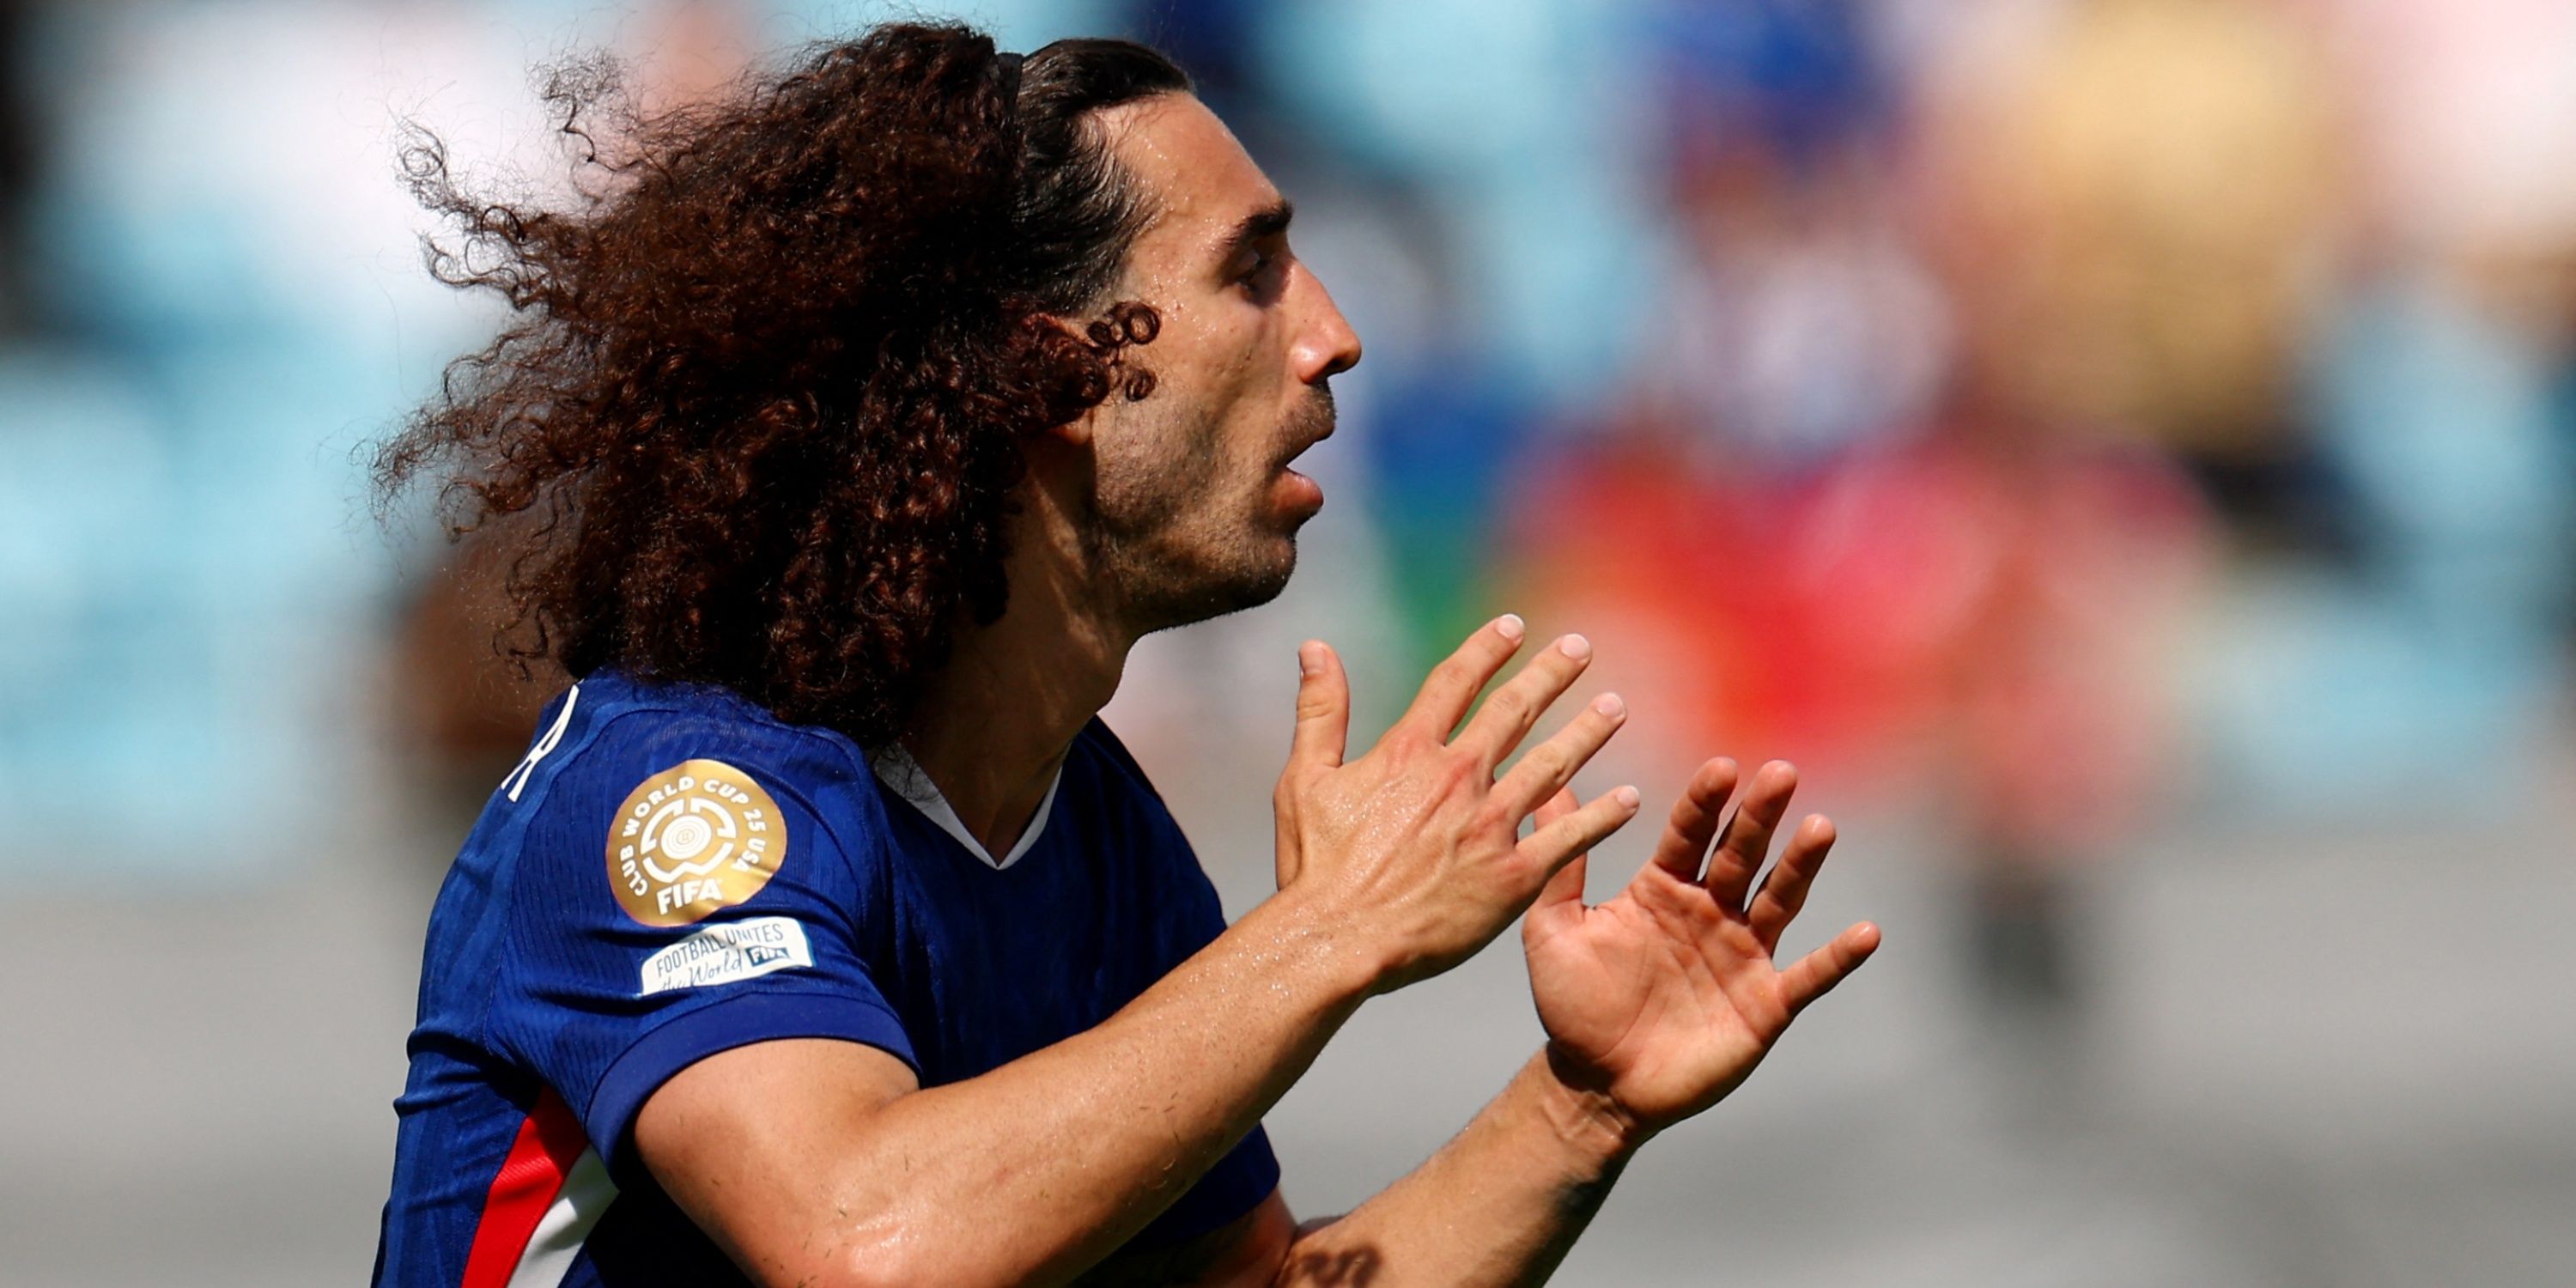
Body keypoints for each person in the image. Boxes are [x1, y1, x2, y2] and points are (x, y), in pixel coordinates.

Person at [371, 23, 1880, 1288]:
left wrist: (1582, 1108)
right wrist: (1331, 928)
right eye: (1256, 272)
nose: (1337, 336)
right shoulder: (673, 795)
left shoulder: (1097, 838)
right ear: (1054, 372)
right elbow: (866, 1241)